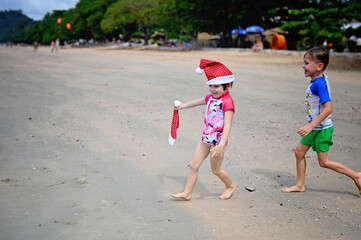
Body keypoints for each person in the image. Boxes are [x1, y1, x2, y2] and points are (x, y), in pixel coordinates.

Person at [282, 47, 361, 195]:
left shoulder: (320, 84)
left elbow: (329, 108)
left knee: (324, 162)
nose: (303, 66)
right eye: (303, 62)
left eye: (306, 63)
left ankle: (357, 176)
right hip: (314, 128)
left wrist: (311, 125)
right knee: (299, 153)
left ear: (319, 67)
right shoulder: (317, 81)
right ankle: (300, 185)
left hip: (321, 129)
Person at [170, 59, 236, 201]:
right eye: (210, 86)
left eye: (216, 86)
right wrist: (183, 105)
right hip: (206, 138)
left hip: (218, 142)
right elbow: (197, 102)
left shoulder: (227, 102)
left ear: (228, 85)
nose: (212, 89)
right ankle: (187, 193)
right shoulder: (211, 97)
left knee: (216, 170)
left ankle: (230, 186)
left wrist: (221, 145)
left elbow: (228, 125)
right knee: (193, 165)